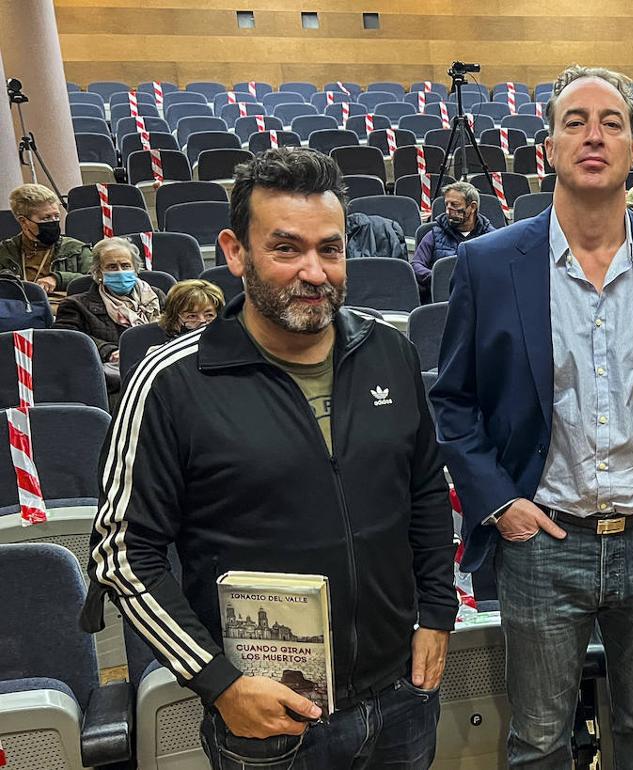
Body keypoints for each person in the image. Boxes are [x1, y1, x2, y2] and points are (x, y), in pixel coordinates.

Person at [81, 147, 456, 770]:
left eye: (330, 249)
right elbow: (123, 553)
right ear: (235, 252)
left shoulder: (388, 351)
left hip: (402, 698)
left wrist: (438, 611)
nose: (314, 271)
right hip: (271, 719)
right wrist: (217, 680)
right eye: (286, 249)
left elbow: (423, 491)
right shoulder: (171, 380)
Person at [431, 65, 633, 769]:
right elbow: (453, 401)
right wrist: (501, 504)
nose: (593, 135)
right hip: (542, 542)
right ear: (549, 148)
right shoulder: (488, 262)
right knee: (537, 739)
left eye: (611, 123)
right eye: (575, 122)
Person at [54, 236, 165, 374]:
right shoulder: (75, 305)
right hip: (112, 374)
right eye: (112, 267)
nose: (120, 271)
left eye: (125, 266)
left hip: (158, 364)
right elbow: (69, 340)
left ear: (135, 269)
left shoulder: (156, 296)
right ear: (99, 272)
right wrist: (109, 352)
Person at [411, 181, 495, 301]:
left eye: (455, 205)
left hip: (481, 299)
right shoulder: (434, 234)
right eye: (447, 205)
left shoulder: (491, 237)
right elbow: (416, 265)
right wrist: (440, 277)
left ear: (472, 207)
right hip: (441, 299)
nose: (448, 210)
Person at [0, 183, 92, 292]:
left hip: (64, 306)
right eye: (46, 218)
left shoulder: (76, 249)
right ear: (23, 222)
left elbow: (96, 280)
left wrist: (59, 279)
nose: (53, 222)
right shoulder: (5, 252)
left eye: (56, 216)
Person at [158, 279, 225, 338]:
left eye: (209, 315)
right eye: (192, 316)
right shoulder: (160, 350)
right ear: (174, 321)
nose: (202, 321)